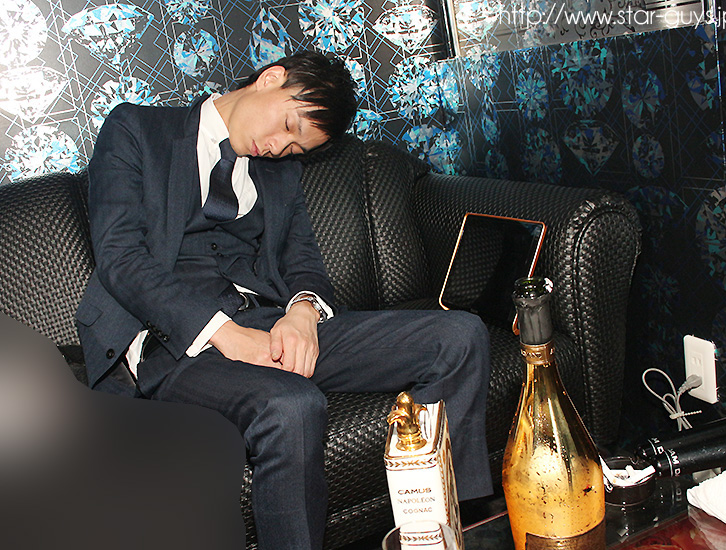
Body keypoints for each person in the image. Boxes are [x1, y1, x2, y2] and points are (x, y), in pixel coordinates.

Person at [77, 50, 493, 550]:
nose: (278, 148)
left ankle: (445, 528)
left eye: (295, 147)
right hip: (172, 343)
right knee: (292, 406)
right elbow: (121, 258)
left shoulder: (279, 171)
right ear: (271, 78)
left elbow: (303, 259)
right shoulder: (137, 129)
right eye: (288, 126)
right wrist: (226, 335)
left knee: (459, 336)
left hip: (267, 322)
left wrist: (302, 313)